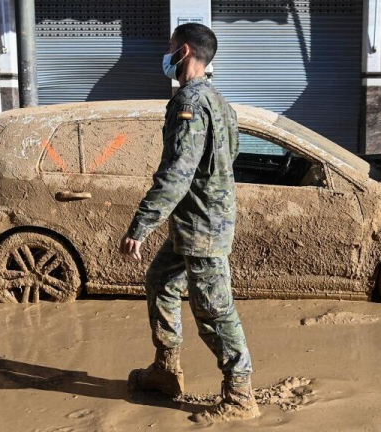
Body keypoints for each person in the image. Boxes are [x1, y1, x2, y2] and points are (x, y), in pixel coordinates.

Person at [118, 23, 260, 423]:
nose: (165, 56)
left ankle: (240, 394)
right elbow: (227, 157)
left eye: (168, 49)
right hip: (195, 221)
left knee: (214, 309)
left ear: (182, 53)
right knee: (160, 281)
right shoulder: (219, 101)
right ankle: (166, 370)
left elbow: (177, 173)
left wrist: (140, 226)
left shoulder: (191, 104)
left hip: (202, 226)